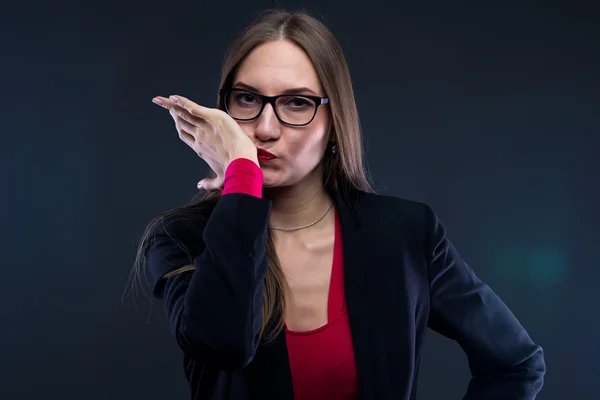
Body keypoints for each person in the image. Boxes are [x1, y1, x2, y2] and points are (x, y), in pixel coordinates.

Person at [132, 8, 545, 400]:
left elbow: (516, 362)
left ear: (334, 123)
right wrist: (242, 175)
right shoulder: (181, 237)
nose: (264, 128)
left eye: (297, 103)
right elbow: (222, 344)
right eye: (246, 99)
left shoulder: (406, 233)